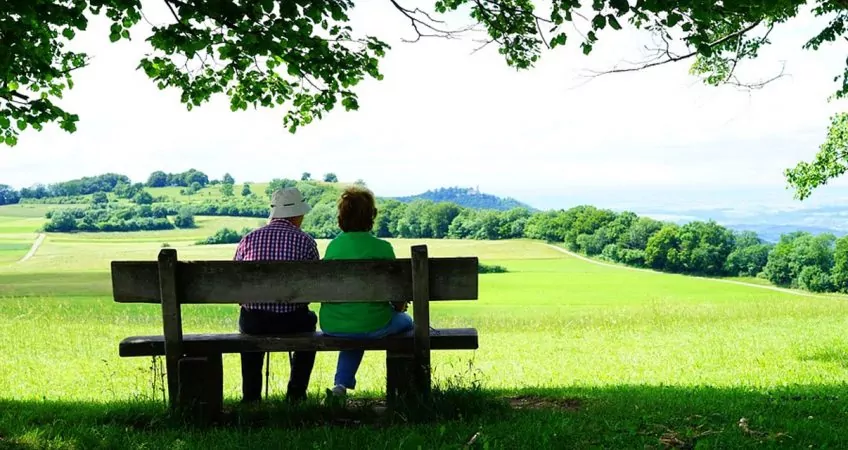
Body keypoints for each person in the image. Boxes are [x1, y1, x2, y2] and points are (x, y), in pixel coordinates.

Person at [319, 186, 413, 399]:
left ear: (341, 216)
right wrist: (400, 307)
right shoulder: (383, 248)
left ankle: (340, 386)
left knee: (355, 330)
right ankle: (405, 389)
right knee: (407, 323)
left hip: (334, 325)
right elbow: (396, 295)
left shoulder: (334, 247)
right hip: (374, 324)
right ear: (371, 216)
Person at [234, 187, 319, 404]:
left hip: (255, 322)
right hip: (293, 321)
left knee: (248, 325)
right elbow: (315, 286)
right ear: (297, 215)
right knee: (309, 321)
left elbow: (235, 284)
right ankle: (296, 395)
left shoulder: (248, 239)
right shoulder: (306, 242)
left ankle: (251, 398)